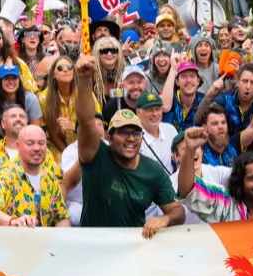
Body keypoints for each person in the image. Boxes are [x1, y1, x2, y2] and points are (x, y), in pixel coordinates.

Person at [73, 55, 185, 234]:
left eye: (136, 133)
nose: (131, 138)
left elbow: (177, 211)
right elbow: (86, 121)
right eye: (124, 132)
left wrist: (165, 218)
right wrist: (85, 80)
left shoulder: (152, 171)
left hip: (133, 252)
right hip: (94, 248)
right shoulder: (96, 155)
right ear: (109, 137)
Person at [0, 125, 69, 227]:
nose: (37, 148)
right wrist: (13, 221)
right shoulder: (5, 175)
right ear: (18, 146)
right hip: (4, 240)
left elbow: (62, 218)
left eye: (41, 143)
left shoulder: (50, 178)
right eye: (30, 143)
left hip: (39, 240)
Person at [38, 55, 83, 154]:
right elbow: (53, 132)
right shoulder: (44, 98)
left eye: (70, 67)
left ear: (73, 72)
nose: (66, 70)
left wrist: (75, 127)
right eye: (60, 68)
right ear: (53, 74)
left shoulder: (84, 93)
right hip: (59, 147)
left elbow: (96, 125)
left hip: (84, 143)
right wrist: (68, 153)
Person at [0, 63, 42, 138]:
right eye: (6, 78)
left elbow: (36, 131)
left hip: (27, 139)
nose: (11, 82)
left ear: (19, 81)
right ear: (0, 81)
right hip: (4, 141)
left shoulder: (30, 99)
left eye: (14, 78)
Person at [134, 91, 178, 173]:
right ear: (138, 112)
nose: (155, 114)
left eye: (157, 109)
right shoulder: (133, 137)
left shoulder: (170, 130)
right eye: (149, 110)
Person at [162, 61, 205, 133]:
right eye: (184, 76)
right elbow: (164, 106)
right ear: (177, 82)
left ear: (198, 81)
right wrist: (173, 68)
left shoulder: (204, 101)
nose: (188, 80)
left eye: (192, 76)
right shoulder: (170, 99)